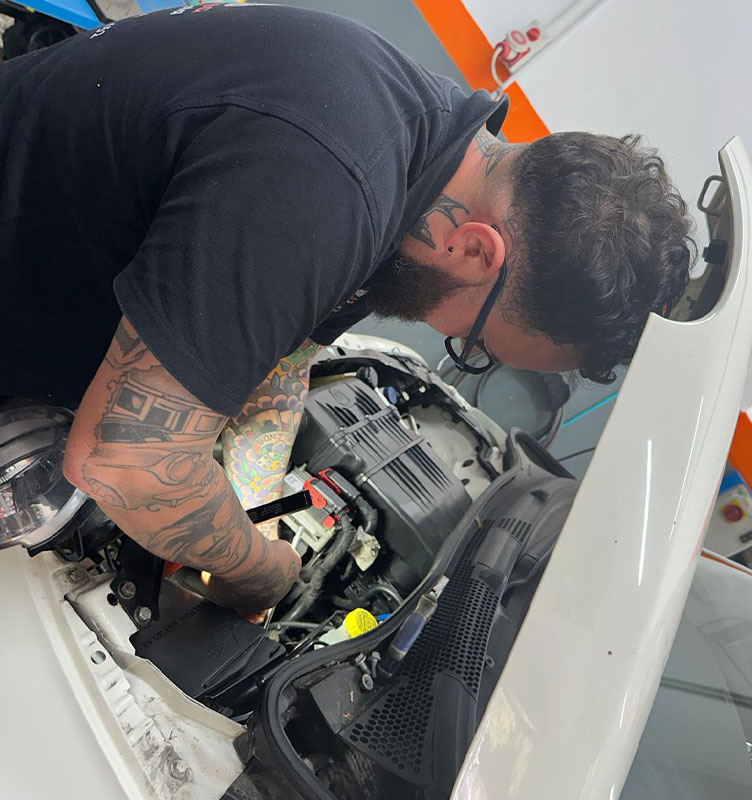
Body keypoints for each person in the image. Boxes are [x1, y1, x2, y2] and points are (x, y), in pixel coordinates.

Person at [0, 5, 694, 615]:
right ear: (476, 250)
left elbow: (288, 358)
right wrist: (258, 571)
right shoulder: (328, 181)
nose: (454, 340)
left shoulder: (420, 158)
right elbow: (122, 460)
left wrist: (256, 507)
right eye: (476, 345)